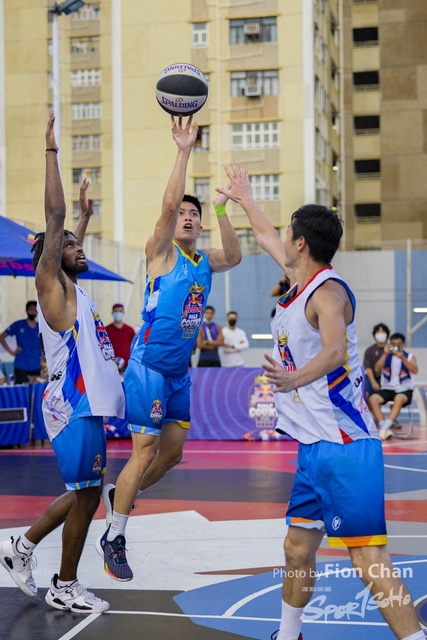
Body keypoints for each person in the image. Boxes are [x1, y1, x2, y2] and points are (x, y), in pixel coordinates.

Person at [215, 161, 424, 640]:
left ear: (302, 242)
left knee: (368, 558)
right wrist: (244, 199)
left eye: (289, 232)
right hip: (314, 448)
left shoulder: (328, 294)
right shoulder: (298, 280)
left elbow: (333, 351)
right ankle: (289, 634)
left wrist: (293, 379)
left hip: (344, 445)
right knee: (296, 548)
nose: (283, 237)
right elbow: (265, 236)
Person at [96, 116, 241, 581]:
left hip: (179, 372)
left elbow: (235, 256)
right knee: (145, 450)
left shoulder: (204, 260)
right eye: (183, 212)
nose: (188, 216)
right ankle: (114, 535)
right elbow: (166, 206)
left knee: (172, 454)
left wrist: (221, 210)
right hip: (148, 367)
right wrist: (183, 150)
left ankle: (120, 494)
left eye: (194, 213)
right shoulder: (161, 252)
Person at [0, 113, 125, 614]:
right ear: (51, 257)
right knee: (87, 496)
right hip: (70, 404)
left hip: (82, 403)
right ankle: (63, 584)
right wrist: (51, 150)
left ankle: (21, 547)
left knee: (86, 493)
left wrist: (85, 219)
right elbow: (55, 219)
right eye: (70, 243)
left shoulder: (72, 287)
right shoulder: (50, 283)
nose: (78, 246)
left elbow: (66, 237)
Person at [369, 332, 418, 441]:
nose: (396, 346)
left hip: (404, 389)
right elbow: (376, 369)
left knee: (399, 398)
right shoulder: (386, 356)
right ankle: (384, 428)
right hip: (388, 388)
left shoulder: (410, 357)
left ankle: (384, 429)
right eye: (393, 344)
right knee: (373, 398)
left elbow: (415, 370)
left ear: (403, 344)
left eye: (398, 344)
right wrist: (384, 354)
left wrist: (402, 358)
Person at [0, 301, 41, 383]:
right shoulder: (18, 325)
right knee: (21, 390)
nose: (33, 311)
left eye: (35, 309)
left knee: (36, 390)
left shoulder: (40, 327)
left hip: (36, 365)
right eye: (31, 309)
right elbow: (2, 337)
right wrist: (11, 352)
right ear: (26, 310)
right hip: (21, 365)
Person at [363, 323, 390, 403]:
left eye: (383, 332)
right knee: (365, 394)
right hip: (373, 378)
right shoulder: (370, 350)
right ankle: (368, 411)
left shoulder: (391, 349)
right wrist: (373, 382)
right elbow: (368, 368)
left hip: (388, 379)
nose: (380, 334)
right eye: (378, 332)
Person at [105, 303, 136, 370]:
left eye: (120, 311)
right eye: (116, 311)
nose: (118, 313)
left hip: (128, 366)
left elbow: (135, 346)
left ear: (123, 313)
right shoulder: (107, 330)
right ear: (112, 313)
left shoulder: (129, 330)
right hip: (111, 366)